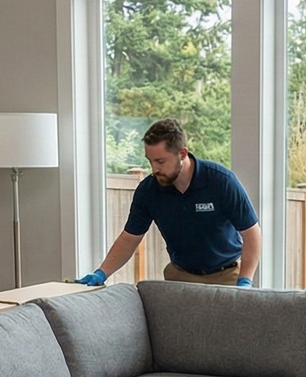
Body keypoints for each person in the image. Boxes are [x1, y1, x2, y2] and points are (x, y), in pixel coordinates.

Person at [77, 118, 261, 288]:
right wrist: (102, 273)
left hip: (226, 275)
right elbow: (129, 238)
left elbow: (252, 234)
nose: (154, 169)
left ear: (182, 154)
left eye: (160, 161)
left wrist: (245, 281)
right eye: (150, 161)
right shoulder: (148, 191)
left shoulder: (221, 182)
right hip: (180, 276)